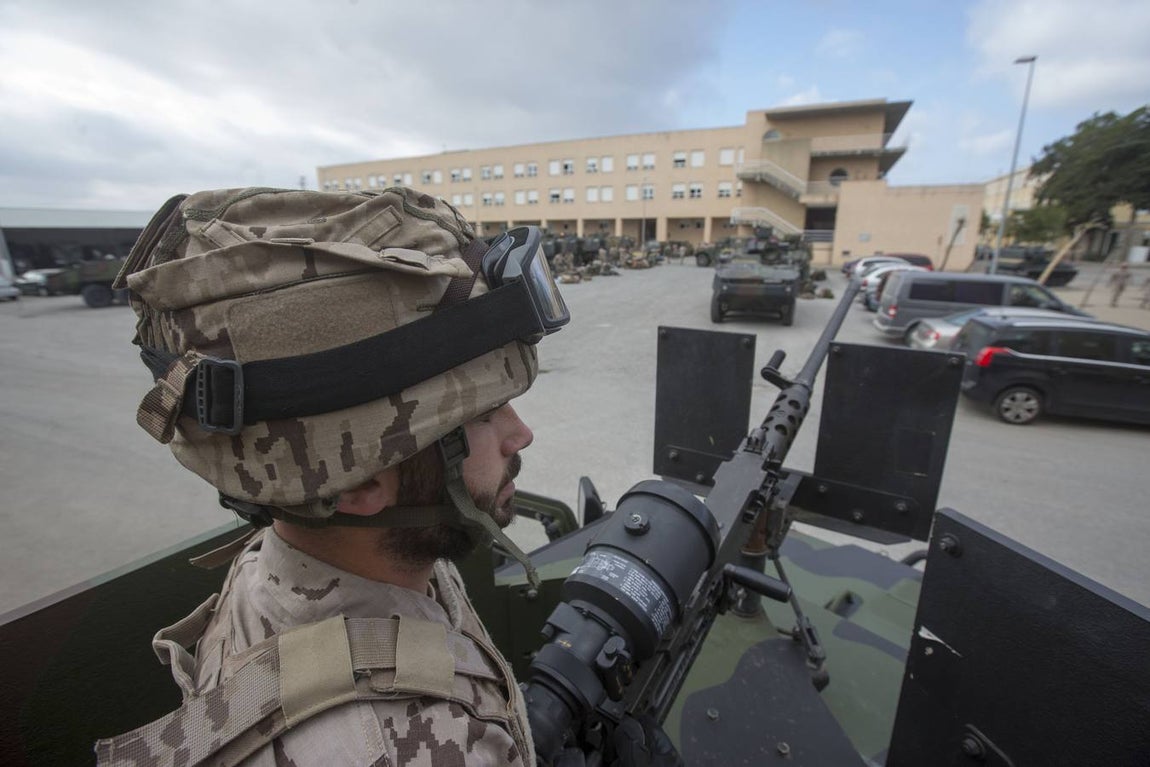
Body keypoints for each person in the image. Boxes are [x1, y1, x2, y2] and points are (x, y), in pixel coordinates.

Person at [95, 187, 567, 766]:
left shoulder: (303, 561)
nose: (520, 435)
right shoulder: (417, 749)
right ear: (357, 484)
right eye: (484, 414)